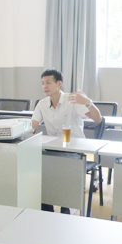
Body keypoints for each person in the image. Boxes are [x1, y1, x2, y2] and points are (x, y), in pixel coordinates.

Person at [32, 69, 102, 214]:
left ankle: (66, 207)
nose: (45, 86)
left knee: (61, 172)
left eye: (48, 83)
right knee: (38, 168)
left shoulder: (73, 100)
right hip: (53, 151)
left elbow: (98, 119)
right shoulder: (42, 104)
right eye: (43, 83)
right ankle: (46, 209)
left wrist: (88, 102)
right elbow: (31, 127)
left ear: (59, 84)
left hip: (73, 151)